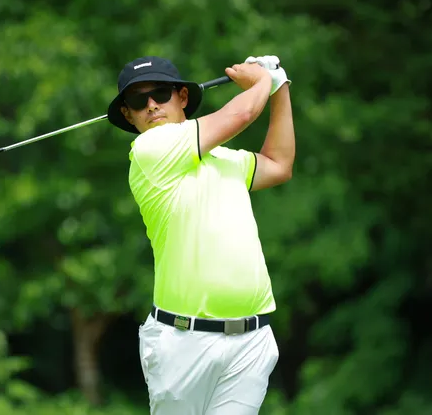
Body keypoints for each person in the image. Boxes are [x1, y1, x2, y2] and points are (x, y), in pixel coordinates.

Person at [106, 55, 294, 415]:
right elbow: (242, 114)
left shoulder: (225, 158)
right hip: (183, 343)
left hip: (250, 342)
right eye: (138, 100)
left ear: (182, 97)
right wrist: (261, 82)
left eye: (161, 94)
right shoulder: (149, 151)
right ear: (128, 115)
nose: (151, 105)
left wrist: (280, 87)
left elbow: (279, 165)